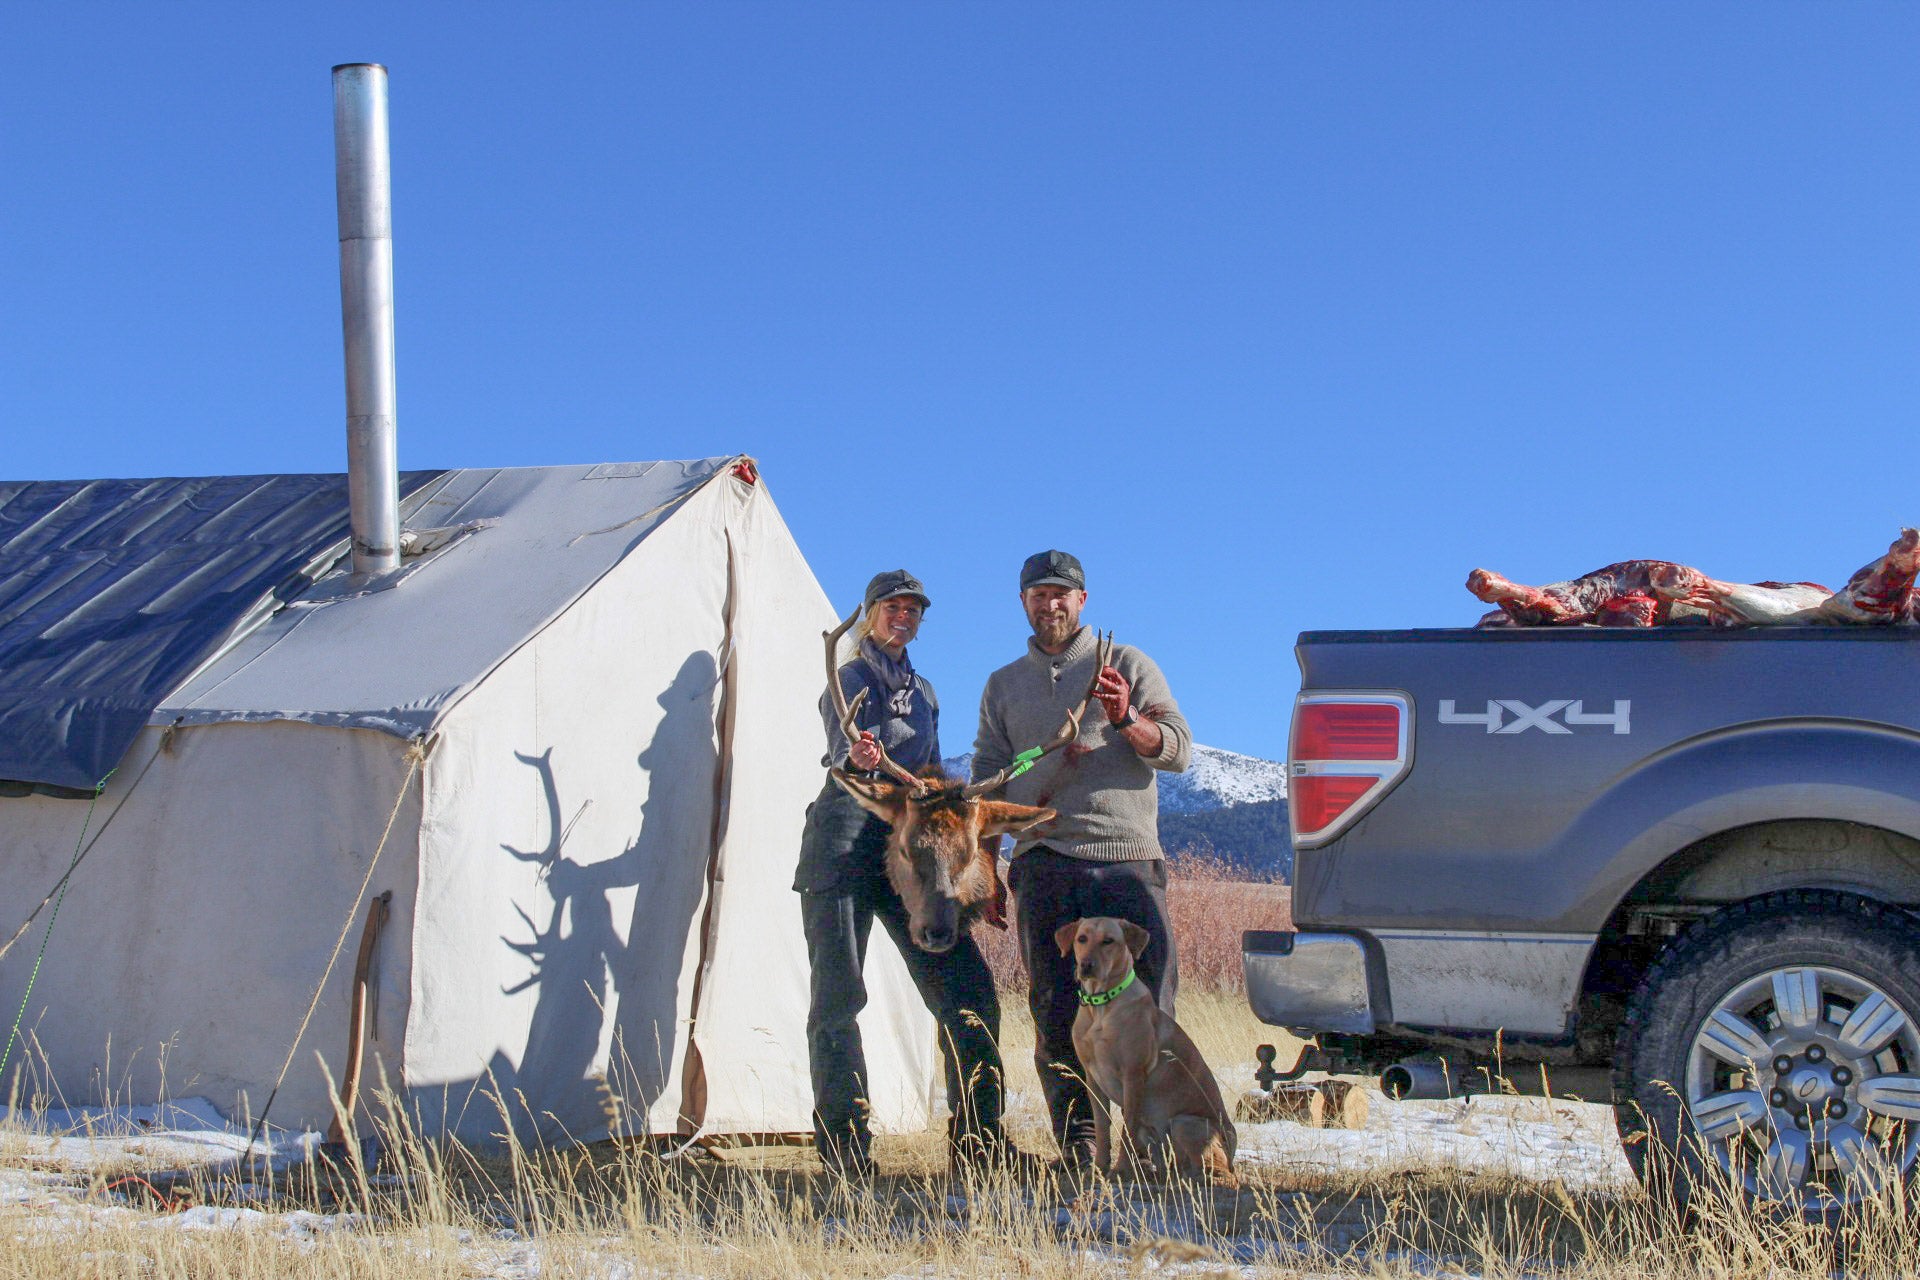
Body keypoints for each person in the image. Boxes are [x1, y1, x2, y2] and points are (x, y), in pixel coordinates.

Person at [793, 569, 1026, 1177]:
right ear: (870, 613)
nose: (904, 615)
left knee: (967, 991)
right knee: (838, 997)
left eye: (913, 608)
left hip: (915, 852)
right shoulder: (846, 678)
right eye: (893, 606)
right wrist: (859, 755)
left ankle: (979, 1139)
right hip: (845, 839)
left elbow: (930, 774)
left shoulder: (924, 692)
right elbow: (840, 746)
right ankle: (844, 1149)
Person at [969, 549, 1191, 1168]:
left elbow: (1176, 752)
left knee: (1151, 1006)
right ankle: (1082, 1144)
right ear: (1023, 603)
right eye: (1039, 594)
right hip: (1043, 861)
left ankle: (1156, 1141)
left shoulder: (1128, 664)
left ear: (1083, 601)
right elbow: (986, 780)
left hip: (1126, 860)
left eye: (1062, 593)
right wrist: (987, 867)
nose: (1051, 604)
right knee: (1055, 1006)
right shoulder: (1003, 685)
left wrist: (1126, 718)